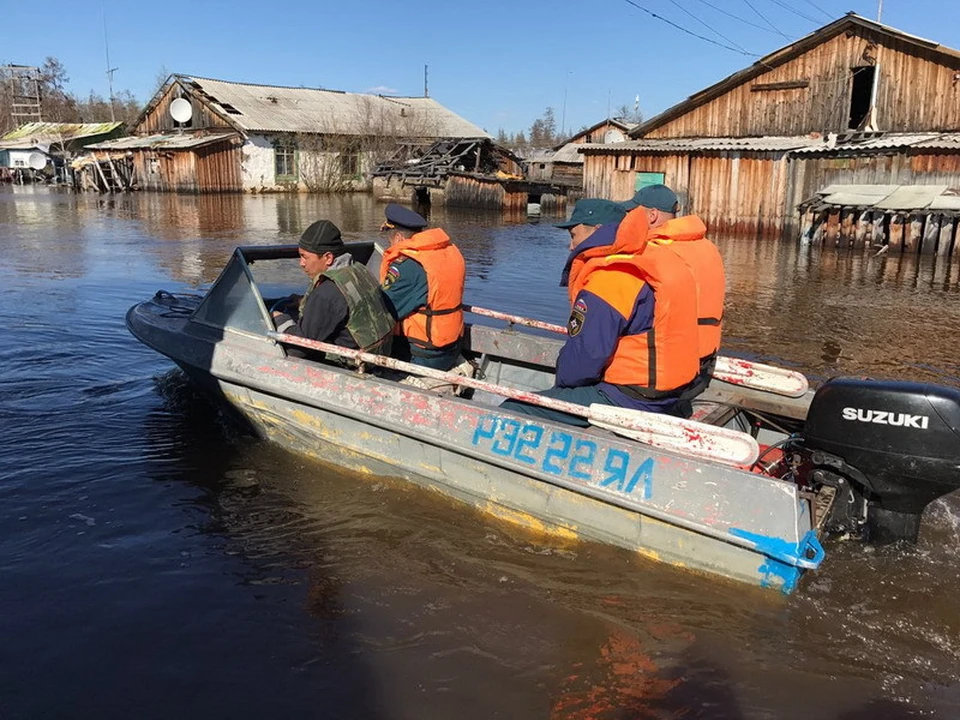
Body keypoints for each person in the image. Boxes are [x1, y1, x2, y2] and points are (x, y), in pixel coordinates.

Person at [500, 207, 701, 425]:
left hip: (629, 398)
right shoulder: (652, 261)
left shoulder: (611, 277)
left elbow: (585, 357)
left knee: (512, 407)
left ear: (596, 230)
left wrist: (561, 386)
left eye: (573, 236)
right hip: (670, 391)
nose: (570, 246)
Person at [621, 184, 725, 393]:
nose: (628, 218)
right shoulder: (707, 247)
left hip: (666, 373)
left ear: (652, 215)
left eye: (633, 212)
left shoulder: (656, 252)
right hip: (704, 364)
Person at [272, 219, 394, 359]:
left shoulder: (327, 292)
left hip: (350, 365)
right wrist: (303, 302)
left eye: (304, 257)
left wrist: (281, 319)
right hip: (377, 355)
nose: (301, 264)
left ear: (328, 258)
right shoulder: (358, 270)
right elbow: (349, 304)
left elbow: (299, 350)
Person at [378, 203, 467, 372]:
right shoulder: (448, 251)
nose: (390, 244)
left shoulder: (409, 265)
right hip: (452, 346)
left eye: (389, 239)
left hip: (423, 354)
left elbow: (383, 311)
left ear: (398, 238)